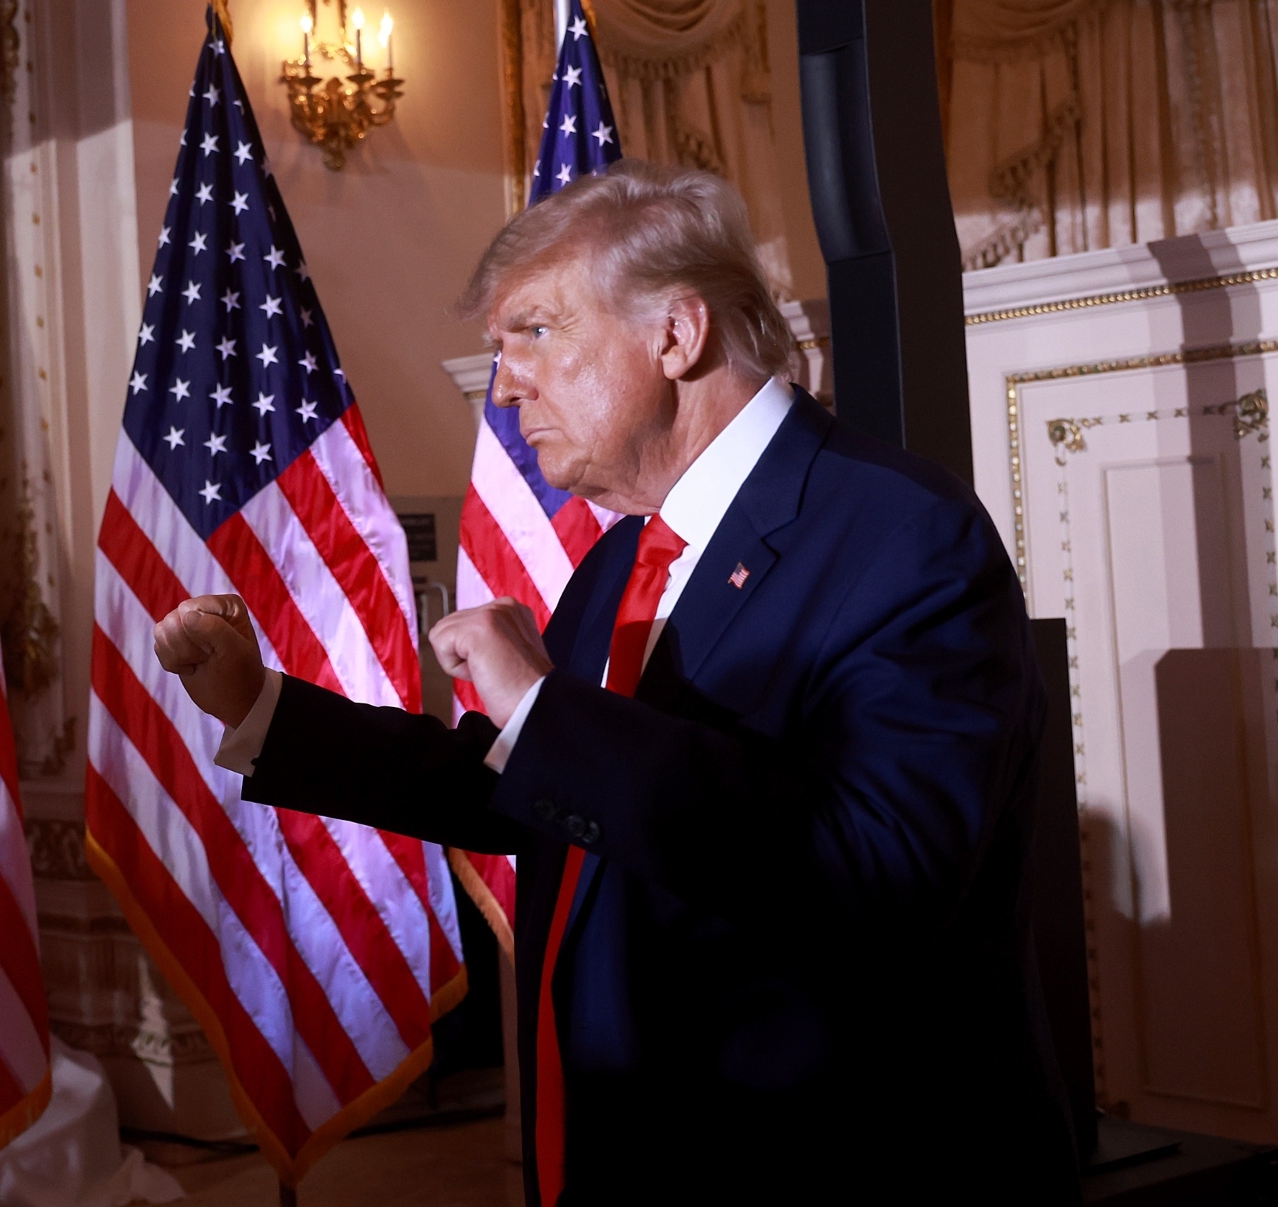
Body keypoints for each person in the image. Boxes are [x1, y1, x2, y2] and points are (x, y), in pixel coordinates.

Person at [153, 161, 1079, 1203]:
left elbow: (877, 868)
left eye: (536, 334)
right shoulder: (623, 559)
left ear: (677, 336)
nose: (503, 385)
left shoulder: (904, 536)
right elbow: (522, 784)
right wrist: (262, 708)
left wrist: (547, 709)